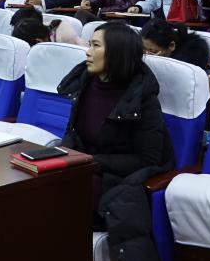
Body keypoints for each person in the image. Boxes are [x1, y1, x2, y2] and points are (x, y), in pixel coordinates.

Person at [58, 21, 172, 223]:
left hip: (115, 181)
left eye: (95, 46)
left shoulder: (141, 97)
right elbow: (72, 132)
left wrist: (91, 161)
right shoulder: (86, 82)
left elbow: (148, 160)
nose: (87, 52)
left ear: (117, 53)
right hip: (83, 169)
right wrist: (61, 156)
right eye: (90, 45)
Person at [139, 18, 210, 69]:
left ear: (171, 46)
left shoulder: (191, 55)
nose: (147, 55)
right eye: (144, 50)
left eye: (153, 52)